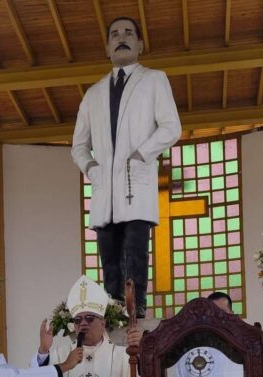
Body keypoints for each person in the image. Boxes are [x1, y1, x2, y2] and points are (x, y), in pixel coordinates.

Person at [71, 16, 181, 318]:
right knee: (109, 260)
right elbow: (78, 144)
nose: (122, 37)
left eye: (129, 33)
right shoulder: (93, 93)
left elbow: (171, 127)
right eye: (115, 34)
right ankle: (115, 314)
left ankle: (138, 311)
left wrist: (140, 154)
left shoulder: (154, 79)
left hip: (137, 180)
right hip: (104, 185)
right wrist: (91, 167)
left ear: (140, 45)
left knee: (135, 253)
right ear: (107, 47)